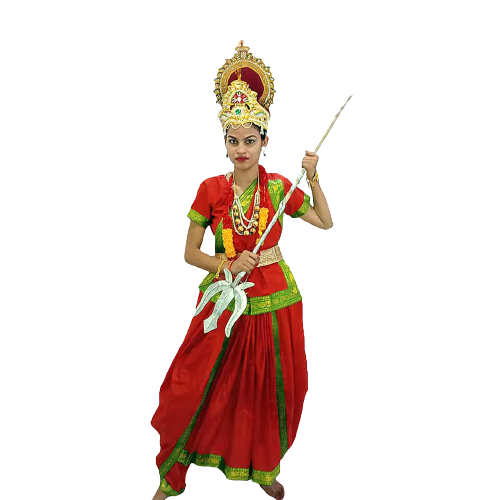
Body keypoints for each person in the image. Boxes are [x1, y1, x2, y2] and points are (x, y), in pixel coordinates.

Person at [151, 39, 333, 500]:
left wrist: (312, 176)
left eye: (250, 141)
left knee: (270, 385)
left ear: (265, 141)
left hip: (275, 297)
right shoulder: (210, 189)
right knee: (199, 381)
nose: (241, 150)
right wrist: (227, 262)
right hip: (223, 299)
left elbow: (324, 222)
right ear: (224, 142)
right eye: (233, 141)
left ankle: (265, 468)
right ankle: (173, 473)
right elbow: (190, 254)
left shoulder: (279, 187)